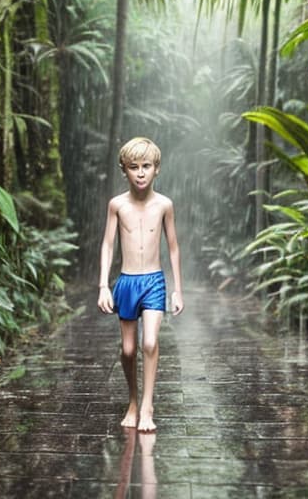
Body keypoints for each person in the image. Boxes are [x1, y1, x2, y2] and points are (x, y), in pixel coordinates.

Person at [97, 136, 184, 432]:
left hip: (154, 282)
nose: (141, 172)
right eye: (134, 167)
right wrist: (103, 286)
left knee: (150, 342)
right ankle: (133, 400)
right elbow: (108, 245)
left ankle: (148, 406)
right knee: (129, 350)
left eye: (146, 166)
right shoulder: (117, 205)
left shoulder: (164, 205)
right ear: (125, 170)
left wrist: (177, 290)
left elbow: (173, 246)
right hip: (127, 281)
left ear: (157, 168)